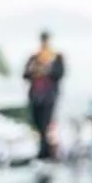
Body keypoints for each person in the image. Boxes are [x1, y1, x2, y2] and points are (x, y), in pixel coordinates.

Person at [22, 31, 65, 166]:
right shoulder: (34, 58)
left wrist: (46, 70)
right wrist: (35, 71)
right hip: (36, 95)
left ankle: (45, 153)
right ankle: (43, 151)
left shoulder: (56, 57)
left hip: (49, 95)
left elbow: (59, 74)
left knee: (46, 124)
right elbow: (25, 74)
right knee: (37, 123)